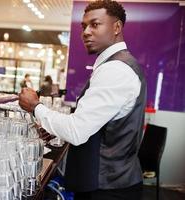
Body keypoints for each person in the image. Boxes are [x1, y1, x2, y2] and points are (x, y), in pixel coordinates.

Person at [19, 0, 146, 199]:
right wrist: (54, 127)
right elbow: (96, 125)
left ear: (117, 27)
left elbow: (77, 131)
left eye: (95, 24)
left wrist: (36, 107)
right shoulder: (115, 64)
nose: (86, 32)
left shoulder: (116, 69)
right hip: (109, 182)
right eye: (84, 26)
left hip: (108, 189)